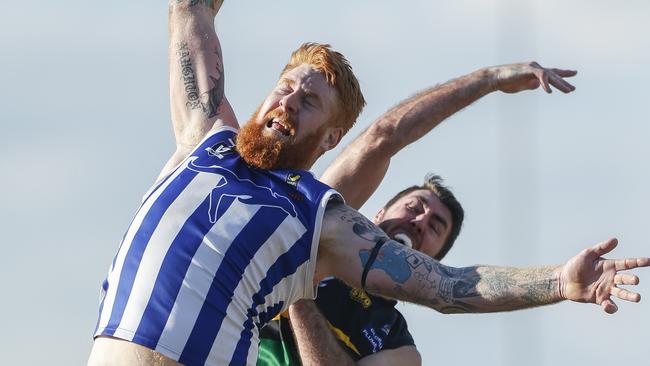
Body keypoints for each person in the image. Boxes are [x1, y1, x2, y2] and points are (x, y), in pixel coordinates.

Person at [88, 2, 650, 366]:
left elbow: (450, 286)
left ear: (330, 137)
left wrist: (557, 282)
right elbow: (189, 14)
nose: (289, 101)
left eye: (310, 102)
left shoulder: (315, 217)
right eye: (286, 88)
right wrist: (489, 78)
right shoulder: (206, 136)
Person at [258, 174, 463, 366]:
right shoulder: (310, 243)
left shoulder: (400, 349)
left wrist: (300, 290)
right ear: (379, 215)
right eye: (414, 208)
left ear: (433, 263)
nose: (419, 223)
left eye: (434, 228)